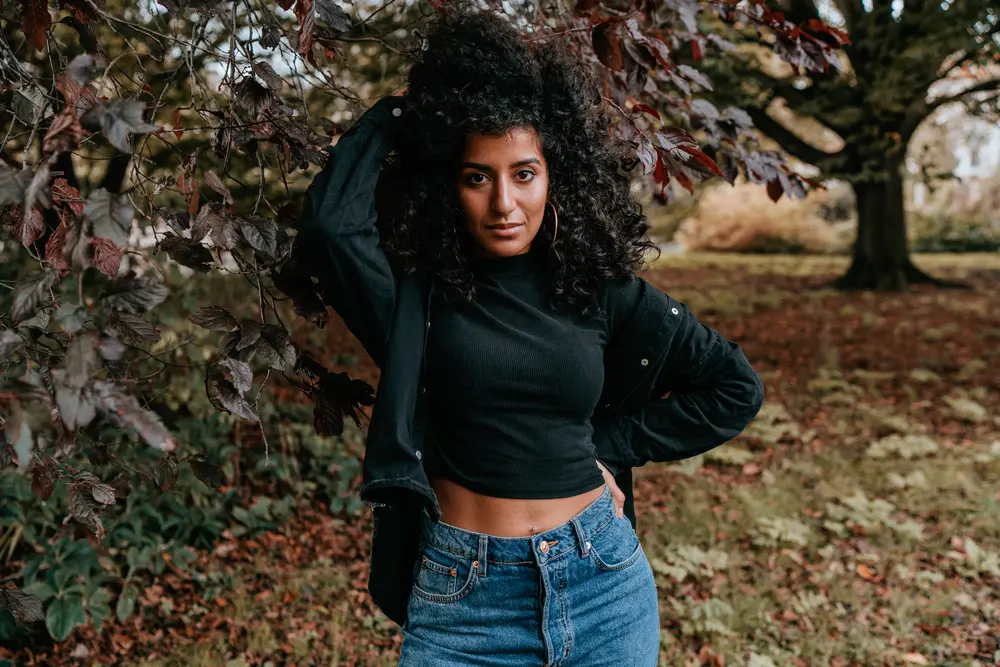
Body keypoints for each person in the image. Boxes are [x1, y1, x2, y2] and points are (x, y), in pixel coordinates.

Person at [297, 10, 764, 666]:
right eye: (476, 176)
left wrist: (613, 443)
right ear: (445, 184)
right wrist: (399, 114)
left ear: (556, 173)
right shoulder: (414, 297)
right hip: (466, 600)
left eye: (523, 173)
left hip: (602, 579)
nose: (504, 204)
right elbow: (328, 228)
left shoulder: (596, 287)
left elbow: (734, 387)